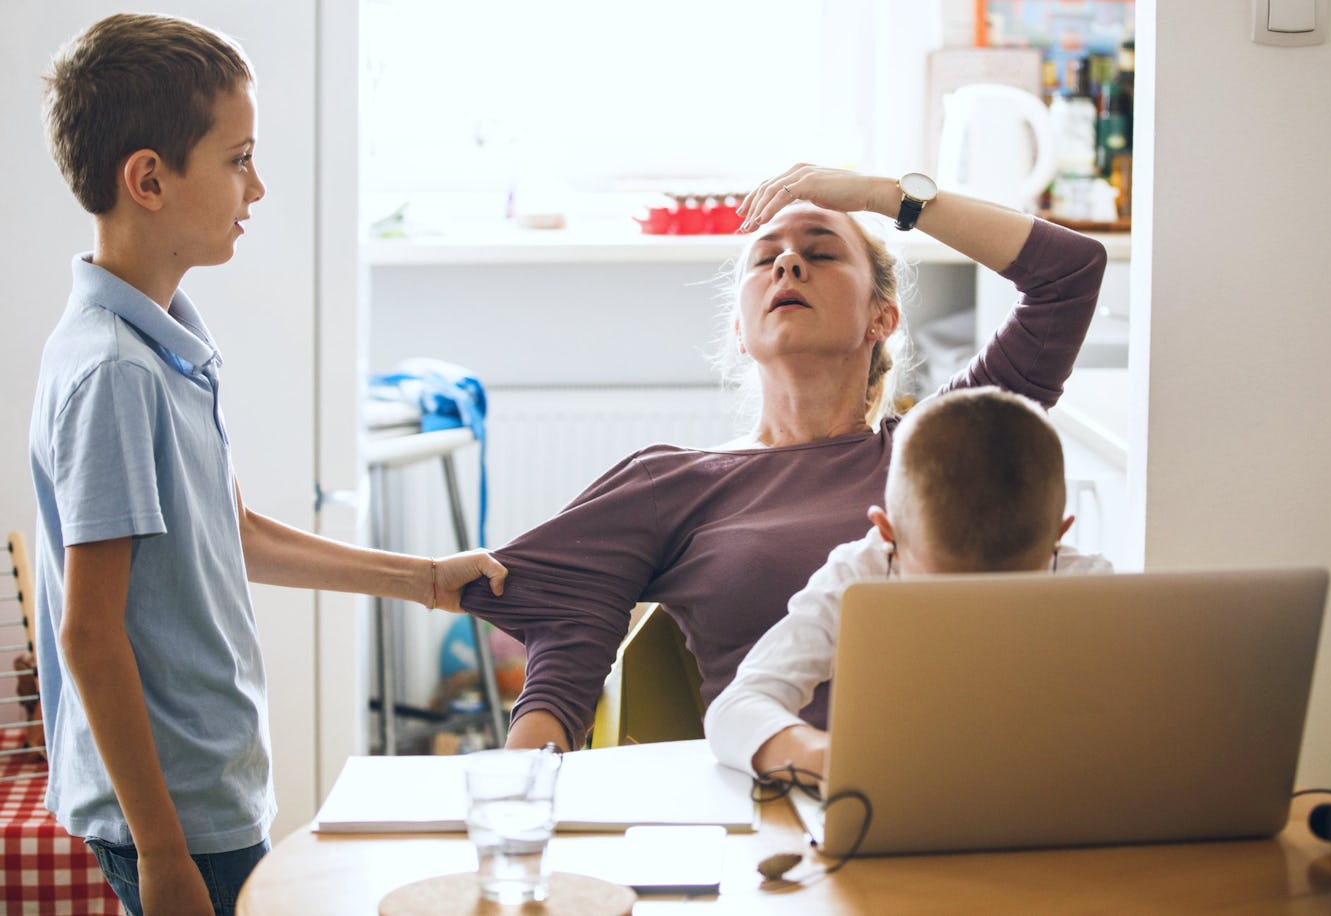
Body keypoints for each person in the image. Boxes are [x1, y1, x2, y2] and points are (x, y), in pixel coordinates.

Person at [29, 14, 507, 915]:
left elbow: (234, 533)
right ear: (149, 180)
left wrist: (427, 580)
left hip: (210, 790)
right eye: (238, 158)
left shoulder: (168, 341)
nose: (259, 185)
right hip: (170, 818)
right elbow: (89, 633)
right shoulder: (113, 374)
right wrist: (165, 853)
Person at [460, 163, 1108, 752]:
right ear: (739, 331)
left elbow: (1070, 275)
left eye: (821, 253)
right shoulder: (672, 482)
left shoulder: (946, 450)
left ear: (882, 318)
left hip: (987, 781)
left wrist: (881, 197)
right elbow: (564, 642)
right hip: (782, 814)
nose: (788, 266)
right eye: (765, 258)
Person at [705, 387, 1113, 778]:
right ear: (888, 537)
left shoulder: (1090, 587)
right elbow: (736, 710)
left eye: (1010, 590)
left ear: (1059, 536)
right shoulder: (857, 576)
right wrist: (833, 760)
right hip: (885, 803)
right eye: (944, 593)